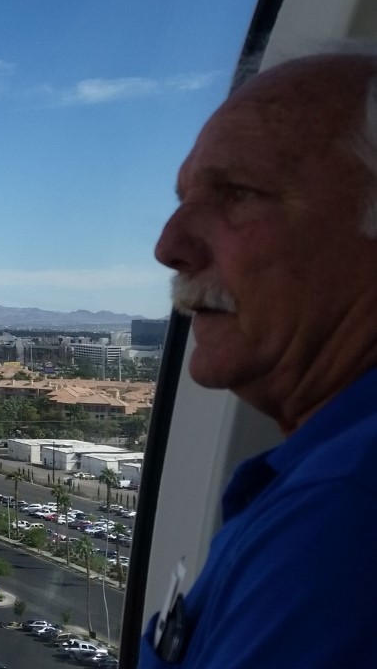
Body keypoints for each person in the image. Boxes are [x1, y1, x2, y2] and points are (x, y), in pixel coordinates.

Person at [143, 53, 377, 667]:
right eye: (184, 198)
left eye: (238, 193)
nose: (169, 245)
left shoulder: (344, 519)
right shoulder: (320, 475)